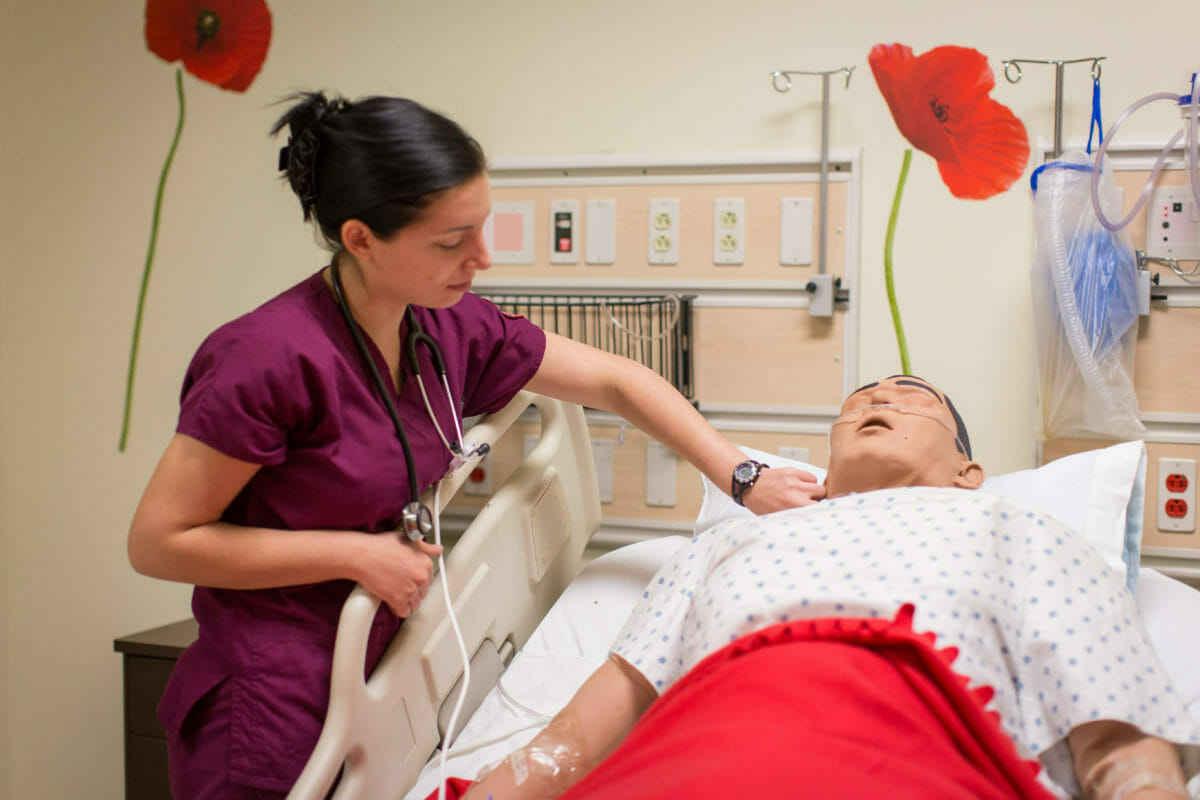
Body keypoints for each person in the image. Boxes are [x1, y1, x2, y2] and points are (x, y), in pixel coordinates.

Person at [125, 91, 825, 800]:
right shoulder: (267, 357)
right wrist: (353, 553)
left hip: (378, 665)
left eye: (483, 228)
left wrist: (741, 474)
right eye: (451, 240)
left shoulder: (444, 328)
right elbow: (159, 540)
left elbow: (614, 381)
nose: (481, 259)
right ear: (362, 238)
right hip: (268, 694)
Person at [453, 375, 1200, 800]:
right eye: (860, 398)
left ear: (968, 475)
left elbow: (1120, 746)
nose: (878, 399)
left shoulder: (1021, 532)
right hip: (693, 758)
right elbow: (573, 741)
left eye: (912, 397)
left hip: (912, 756)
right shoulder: (730, 542)